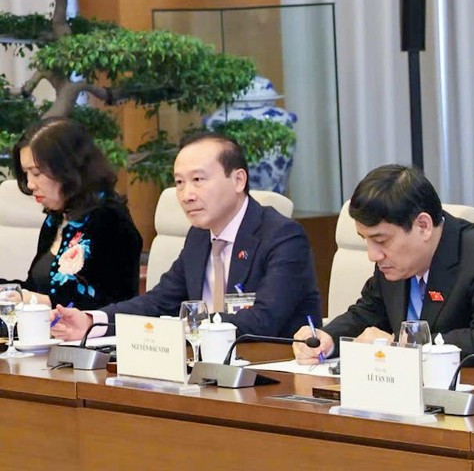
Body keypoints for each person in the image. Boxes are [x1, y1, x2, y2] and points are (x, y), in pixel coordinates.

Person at [52, 130, 319, 342]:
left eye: (198, 180)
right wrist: (93, 321)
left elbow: (264, 320)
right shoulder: (199, 236)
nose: (186, 195)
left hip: (271, 370)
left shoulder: (282, 236)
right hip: (204, 367)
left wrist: (184, 328)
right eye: (179, 182)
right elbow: (159, 302)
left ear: (238, 180)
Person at [295, 164, 474, 372]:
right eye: (365, 240)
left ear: (423, 226)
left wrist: (398, 346)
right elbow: (367, 313)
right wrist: (326, 338)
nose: (372, 255)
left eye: (381, 240)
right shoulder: (395, 264)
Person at [11, 117, 141, 310]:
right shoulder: (56, 219)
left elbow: (113, 303)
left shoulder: (110, 219)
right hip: (47, 327)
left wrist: (41, 302)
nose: (30, 184)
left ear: (68, 169)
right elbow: (36, 288)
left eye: (36, 173)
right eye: (26, 174)